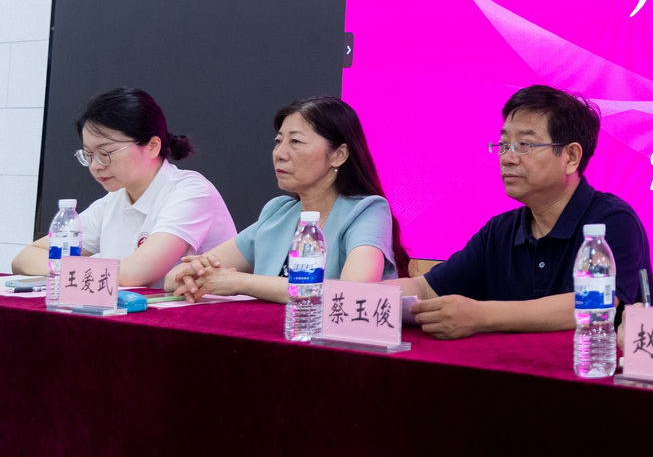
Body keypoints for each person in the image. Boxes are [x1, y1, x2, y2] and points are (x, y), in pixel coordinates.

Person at [390, 85, 652, 340]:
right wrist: (371, 297)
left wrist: (480, 316)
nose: (507, 158)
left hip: (593, 366)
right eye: (504, 145)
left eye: (524, 145)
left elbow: (595, 304)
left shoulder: (612, 220)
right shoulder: (499, 232)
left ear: (571, 157)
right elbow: (425, 288)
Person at [164, 96, 406, 301]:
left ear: (338, 155)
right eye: (278, 141)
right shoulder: (278, 212)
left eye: (296, 141)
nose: (279, 154)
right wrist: (196, 274)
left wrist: (240, 282)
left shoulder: (367, 211)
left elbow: (354, 293)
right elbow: (174, 279)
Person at [10, 88, 235, 288]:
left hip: (203, 317)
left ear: (152, 146)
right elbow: (25, 258)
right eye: (88, 154)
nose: (95, 166)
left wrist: (75, 269)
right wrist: (89, 270)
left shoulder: (191, 192)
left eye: (105, 153)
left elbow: (136, 273)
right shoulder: (114, 200)